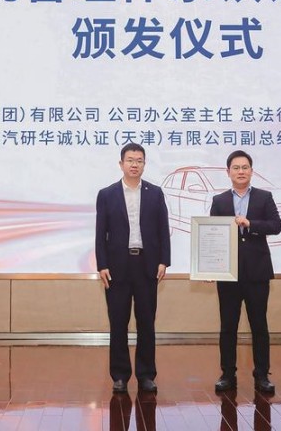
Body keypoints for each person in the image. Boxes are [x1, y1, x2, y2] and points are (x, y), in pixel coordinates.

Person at [96, 143, 171, 394]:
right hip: (117, 267)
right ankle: (119, 376)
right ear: (121, 164)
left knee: (146, 322)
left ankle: (146, 375)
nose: (134, 164)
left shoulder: (155, 193)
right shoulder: (106, 194)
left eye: (139, 160)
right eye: (130, 160)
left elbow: (163, 230)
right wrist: (102, 264)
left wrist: (164, 260)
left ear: (144, 164)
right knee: (118, 322)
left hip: (147, 265)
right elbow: (100, 234)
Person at [210, 150, 281, 394]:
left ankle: (262, 375)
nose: (241, 171)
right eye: (236, 167)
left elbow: (276, 226)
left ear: (251, 171)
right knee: (227, 326)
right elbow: (212, 235)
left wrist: (251, 224)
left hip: (257, 272)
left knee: (259, 325)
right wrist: (209, 265)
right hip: (228, 274)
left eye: (245, 167)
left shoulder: (264, 197)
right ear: (228, 172)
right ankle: (227, 374)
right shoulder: (219, 201)